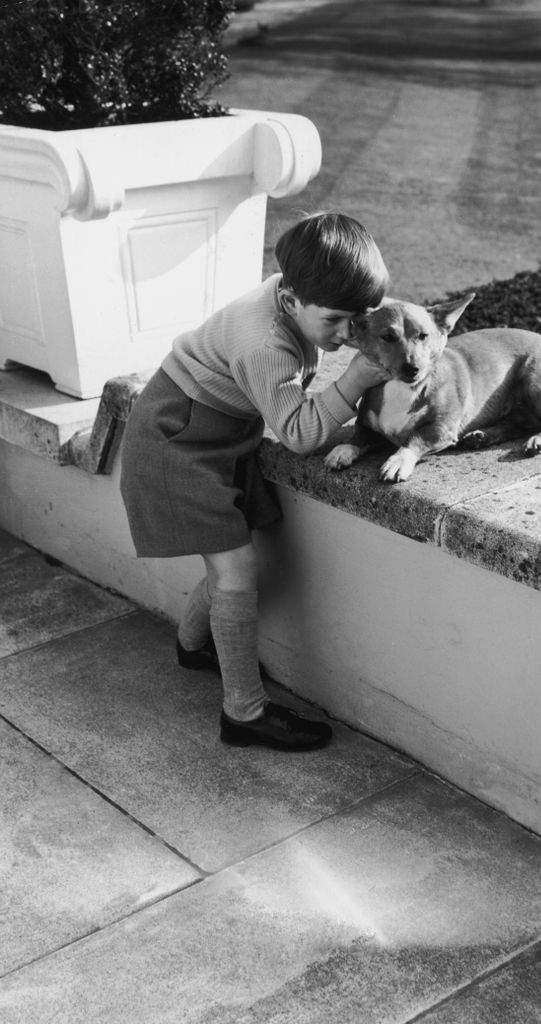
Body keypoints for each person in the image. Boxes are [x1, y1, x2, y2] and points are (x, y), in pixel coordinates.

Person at [119, 212, 391, 752]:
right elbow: (296, 432)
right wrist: (358, 378)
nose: (349, 334)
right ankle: (243, 713)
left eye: (360, 318)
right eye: (337, 320)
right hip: (178, 442)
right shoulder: (265, 343)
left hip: (217, 433)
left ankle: (195, 645)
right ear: (290, 302)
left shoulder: (296, 293)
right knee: (237, 571)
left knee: (234, 567)